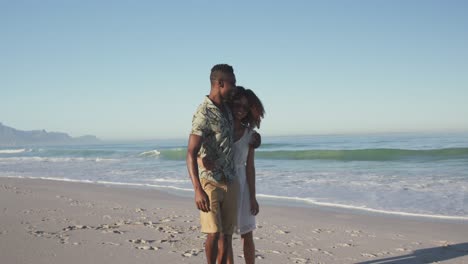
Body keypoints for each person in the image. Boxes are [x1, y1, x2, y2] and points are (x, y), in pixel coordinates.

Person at [200, 86, 265, 264]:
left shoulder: (251, 136)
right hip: (222, 181)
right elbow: (201, 149)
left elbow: (250, 168)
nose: (240, 110)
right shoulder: (221, 129)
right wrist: (202, 161)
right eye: (237, 105)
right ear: (230, 104)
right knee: (224, 235)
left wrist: (253, 197)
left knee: (247, 233)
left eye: (245, 107)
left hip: (242, 183)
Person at [186, 64, 239, 264]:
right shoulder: (203, 113)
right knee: (213, 234)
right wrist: (197, 190)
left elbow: (248, 107)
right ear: (220, 83)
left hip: (230, 180)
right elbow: (190, 152)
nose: (234, 87)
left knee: (226, 235)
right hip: (210, 182)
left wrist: (254, 137)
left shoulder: (227, 108)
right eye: (232, 83)